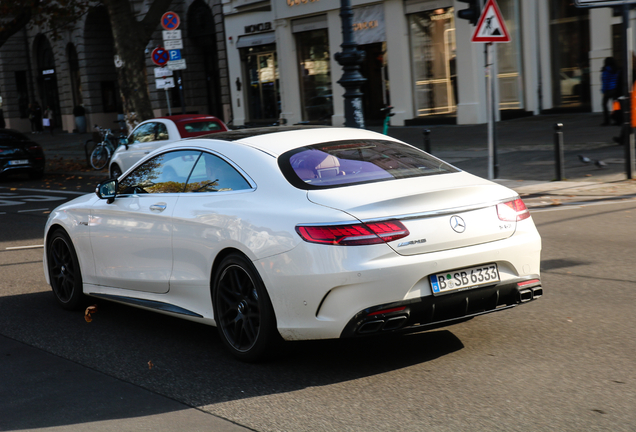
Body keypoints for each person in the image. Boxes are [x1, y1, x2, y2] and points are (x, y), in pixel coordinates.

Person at [600, 57, 619, 126]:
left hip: (608, 90)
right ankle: (617, 120)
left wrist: (604, 91)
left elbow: (605, 82)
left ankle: (607, 121)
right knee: (616, 106)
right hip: (615, 90)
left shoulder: (605, 71)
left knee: (604, 105)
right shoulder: (616, 70)